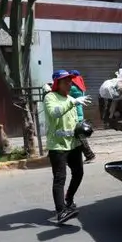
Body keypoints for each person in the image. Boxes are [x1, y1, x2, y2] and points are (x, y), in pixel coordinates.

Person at [43, 70, 91, 223]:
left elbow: (73, 121)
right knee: (60, 178)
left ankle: (68, 199)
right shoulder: (50, 97)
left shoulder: (70, 97)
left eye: (70, 81)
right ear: (58, 83)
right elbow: (54, 113)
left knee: (78, 173)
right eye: (66, 82)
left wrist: (82, 127)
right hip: (57, 146)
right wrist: (73, 102)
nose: (70, 84)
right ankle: (61, 211)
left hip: (73, 144)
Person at [68, 69, 97, 163]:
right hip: (78, 112)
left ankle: (89, 155)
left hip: (75, 114)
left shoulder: (72, 88)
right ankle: (86, 155)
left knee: (79, 135)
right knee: (76, 135)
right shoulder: (80, 86)